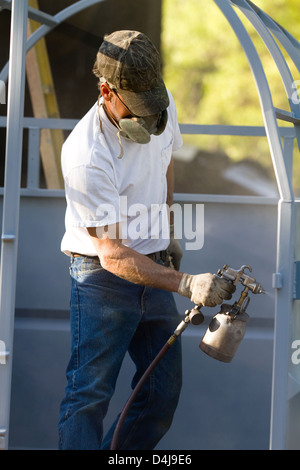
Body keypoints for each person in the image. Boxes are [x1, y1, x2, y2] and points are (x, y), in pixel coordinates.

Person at [58, 30, 234, 450]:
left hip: (153, 265)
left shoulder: (157, 102)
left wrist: (166, 228)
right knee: (89, 398)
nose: (148, 118)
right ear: (106, 90)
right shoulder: (86, 154)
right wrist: (187, 284)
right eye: (135, 108)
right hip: (103, 280)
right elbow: (113, 253)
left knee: (160, 395)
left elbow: (166, 159)